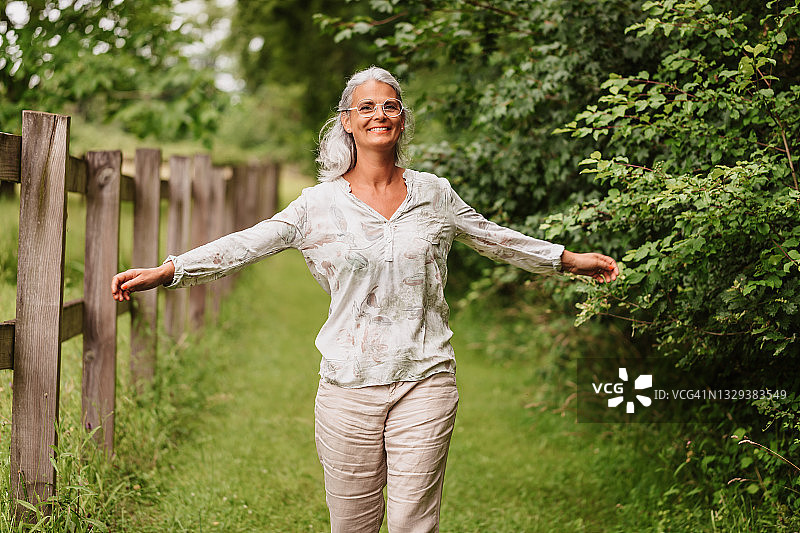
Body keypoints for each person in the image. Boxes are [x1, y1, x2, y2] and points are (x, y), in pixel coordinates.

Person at [111, 66, 618, 532]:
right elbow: (246, 243)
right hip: (346, 387)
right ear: (347, 122)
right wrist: (170, 270)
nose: (380, 114)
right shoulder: (318, 205)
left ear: (403, 120)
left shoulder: (434, 195)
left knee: (411, 525)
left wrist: (568, 260)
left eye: (391, 106)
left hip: (426, 377)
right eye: (367, 107)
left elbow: (493, 238)